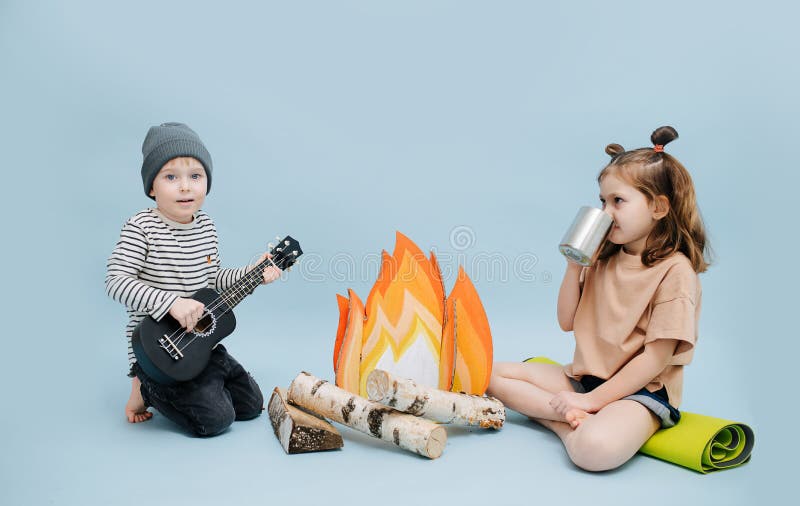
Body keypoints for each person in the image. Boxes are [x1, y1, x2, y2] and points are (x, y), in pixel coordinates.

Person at [487, 126, 710, 471]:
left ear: (659, 207)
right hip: (586, 378)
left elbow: (655, 359)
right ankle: (566, 415)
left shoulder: (675, 272)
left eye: (618, 201)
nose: (605, 212)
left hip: (639, 392)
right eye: (602, 201)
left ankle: (560, 422)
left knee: (594, 450)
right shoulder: (604, 257)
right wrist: (572, 267)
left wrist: (591, 401)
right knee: (488, 374)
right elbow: (566, 322)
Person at [106, 122, 281, 436]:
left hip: (199, 342)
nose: (185, 187)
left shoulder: (206, 227)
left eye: (195, 176)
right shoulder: (140, 227)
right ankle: (148, 389)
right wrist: (170, 303)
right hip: (161, 348)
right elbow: (116, 280)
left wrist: (253, 275)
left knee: (252, 405)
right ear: (151, 187)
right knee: (217, 420)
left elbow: (213, 282)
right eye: (171, 177)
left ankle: (204, 382)